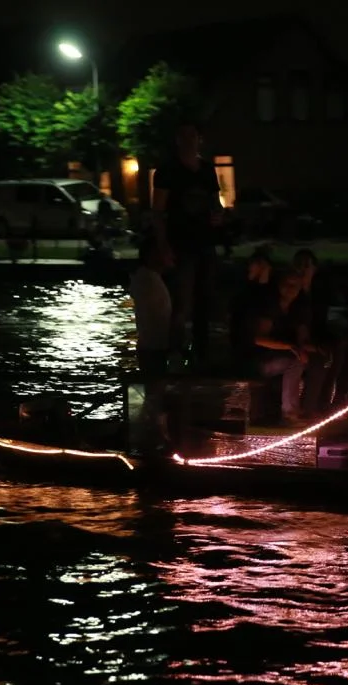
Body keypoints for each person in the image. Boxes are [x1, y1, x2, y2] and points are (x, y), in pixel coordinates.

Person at [152, 120, 223, 365]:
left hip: (205, 242)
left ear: (199, 139)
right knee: (182, 301)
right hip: (180, 243)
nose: (189, 140)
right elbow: (158, 211)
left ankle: (201, 352)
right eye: (184, 135)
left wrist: (218, 215)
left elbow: (216, 202)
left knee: (205, 298)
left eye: (192, 135)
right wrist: (163, 245)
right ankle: (175, 351)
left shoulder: (207, 169)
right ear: (177, 140)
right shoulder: (167, 171)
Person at [292, 248, 348, 415]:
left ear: (314, 268)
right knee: (332, 353)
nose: (303, 269)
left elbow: (336, 315)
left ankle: (340, 396)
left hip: (323, 334)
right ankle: (322, 404)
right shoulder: (290, 287)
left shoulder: (324, 290)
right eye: (299, 265)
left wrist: (340, 333)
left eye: (307, 265)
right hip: (297, 337)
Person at [251, 272, 327, 425]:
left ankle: (311, 408)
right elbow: (259, 339)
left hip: (285, 357)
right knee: (294, 361)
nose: (290, 289)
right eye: (286, 284)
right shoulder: (270, 307)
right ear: (279, 286)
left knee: (318, 361)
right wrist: (289, 347)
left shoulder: (298, 310)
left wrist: (315, 349)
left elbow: (302, 339)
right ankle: (290, 413)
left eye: (295, 286)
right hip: (262, 360)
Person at [123, 234, 173, 449]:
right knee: (154, 393)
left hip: (152, 345)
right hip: (154, 347)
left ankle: (149, 436)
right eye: (166, 252)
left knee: (153, 393)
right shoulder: (149, 281)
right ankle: (150, 438)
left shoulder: (148, 279)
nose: (172, 256)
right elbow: (158, 318)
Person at [228, 247, 274, 369]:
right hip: (244, 347)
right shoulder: (246, 292)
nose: (249, 267)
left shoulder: (267, 294)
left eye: (253, 264)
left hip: (255, 350)